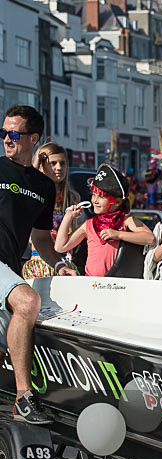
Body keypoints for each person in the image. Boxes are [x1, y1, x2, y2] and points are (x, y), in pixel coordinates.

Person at [1, 105, 78, 424]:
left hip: (7, 268)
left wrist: (60, 265)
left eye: (13, 134)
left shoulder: (43, 187)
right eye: (3, 132)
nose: (6, 139)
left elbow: (41, 240)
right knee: (28, 300)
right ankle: (24, 397)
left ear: (33, 138)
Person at [55, 164, 155, 276]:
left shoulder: (126, 220)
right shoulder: (89, 225)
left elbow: (150, 238)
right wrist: (68, 217)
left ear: (117, 202)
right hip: (92, 284)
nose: (95, 201)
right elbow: (60, 246)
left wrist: (118, 234)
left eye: (101, 197)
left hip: (116, 284)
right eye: (93, 195)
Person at [22, 141, 80, 278]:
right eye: (53, 163)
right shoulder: (35, 193)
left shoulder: (72, 197)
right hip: (40, 262)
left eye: (63, 163)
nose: (59, 167)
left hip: (65, 260)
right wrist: (35, 164)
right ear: (43, 165)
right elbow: (26, 185)